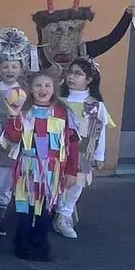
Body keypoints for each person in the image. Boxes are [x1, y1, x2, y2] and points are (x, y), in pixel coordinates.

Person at [0, 72, 80, 261]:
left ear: (54, 89)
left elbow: (73, 143)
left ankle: (40, 244)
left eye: (47, 85)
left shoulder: (63, 112)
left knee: (44, 209)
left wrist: (71, 171)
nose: (42, 89)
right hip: (27, 167)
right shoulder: (23, 111)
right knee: (25, 207)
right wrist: (13, 117)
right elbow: (12, 137)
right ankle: (22, 243)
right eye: (38, 85)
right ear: (30, 89)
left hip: (51, 170)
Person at [0, 28, 33, 238]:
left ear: (21, 68)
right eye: (5, 66)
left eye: (14, 66)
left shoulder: (26, 93)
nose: (10, 70)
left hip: (12, 145)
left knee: (5, 186)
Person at [55, 58, 112, 239]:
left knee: (76, 184)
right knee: (56, 182)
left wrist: (100, 155)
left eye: (78, 74)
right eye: (70, 72)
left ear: (89, 80)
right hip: (58, 151)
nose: (72, 77)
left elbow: (100, 132)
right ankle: (56, 212)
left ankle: (64, 215)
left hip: (83, 153)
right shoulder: (59, 101)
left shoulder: (95, 105)